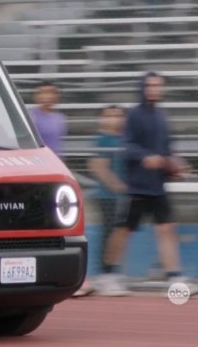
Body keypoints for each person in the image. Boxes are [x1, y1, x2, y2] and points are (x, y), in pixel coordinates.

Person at [96, 72, 196, 296]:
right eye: (150, 85)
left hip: (158, 187)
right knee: (123, 231)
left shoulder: (162, 116)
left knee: (167, 230)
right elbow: (128, 145)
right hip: (137, 187)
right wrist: (145, 157)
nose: (154, 89)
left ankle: (175, 277)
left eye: (158, 85)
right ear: (142, 88)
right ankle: (108, 275)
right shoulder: (133, 115)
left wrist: (175, 167)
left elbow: (168, 150)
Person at [75, 105, 128, 297]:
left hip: (121, 197)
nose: (114, 119)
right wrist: (119, 187)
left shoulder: (123, 138)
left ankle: (112, 271)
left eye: (118, 115)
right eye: (109, 115)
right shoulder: (103, 138)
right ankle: (106, 274)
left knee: (118, 234)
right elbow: (98, 167)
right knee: (109, 234)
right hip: (107, 196)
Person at [28, 81, 67, 157]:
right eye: (42, 92)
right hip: (38, 161)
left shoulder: (60, 118)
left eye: (51, 92)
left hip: (56, 162)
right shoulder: (31, 116)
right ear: (36, 96)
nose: (47, 96)